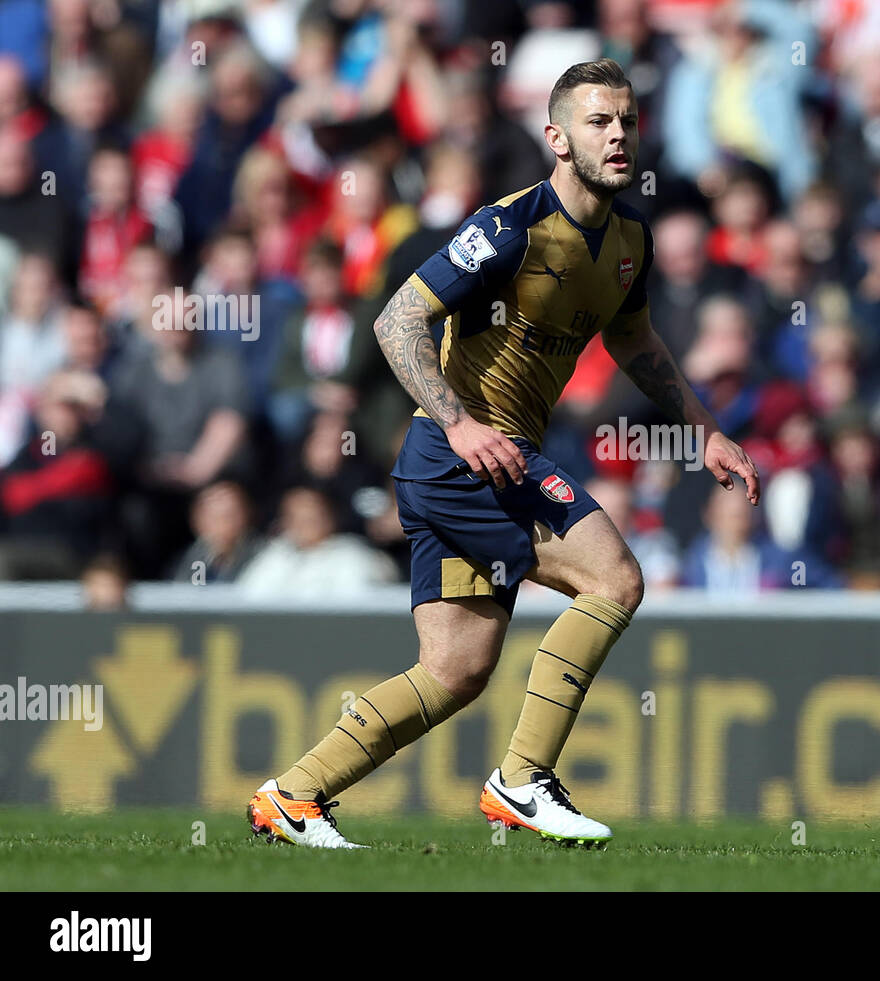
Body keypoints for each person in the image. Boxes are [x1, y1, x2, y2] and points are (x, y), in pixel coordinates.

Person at [247, 59, 761, 849]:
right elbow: (396, 321)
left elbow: (634, 339)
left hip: (480, 457)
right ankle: (522, 779)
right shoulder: (509, 226)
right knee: (615, 578)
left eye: (626, 119)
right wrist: (456, 423)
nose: (617, 134)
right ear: (556, 137)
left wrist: (705, 427)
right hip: (460, 453)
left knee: (455, 668)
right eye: (598, 121)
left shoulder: (628, 240)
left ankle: (293, 794)